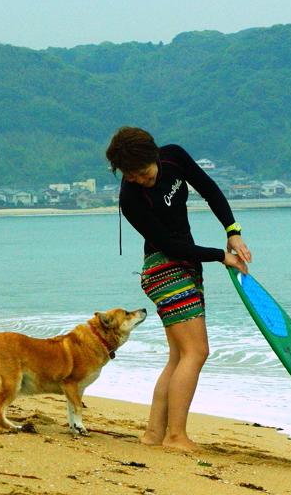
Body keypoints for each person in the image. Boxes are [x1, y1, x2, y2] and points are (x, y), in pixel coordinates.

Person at [105, 126, 251, 452]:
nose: (140, 180)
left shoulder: (174, 157)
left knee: (179, 356)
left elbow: (210, 189)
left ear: (155, 156)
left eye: (143, 173)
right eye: (131, 176)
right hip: (164, 268)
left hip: (186, 266)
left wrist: (232, 231)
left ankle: (154, 434)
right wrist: (221, 257)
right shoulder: (131, 199)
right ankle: (176, 436)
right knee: (197, 351)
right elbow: (170, 245)